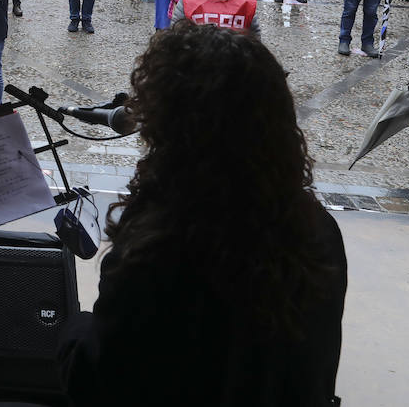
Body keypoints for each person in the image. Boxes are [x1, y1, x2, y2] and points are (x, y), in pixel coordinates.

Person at [60, 24, 346, 405]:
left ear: (169, 126)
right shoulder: (318, 229)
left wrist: (72, 329)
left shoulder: (159, 243)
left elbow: (97, 380)